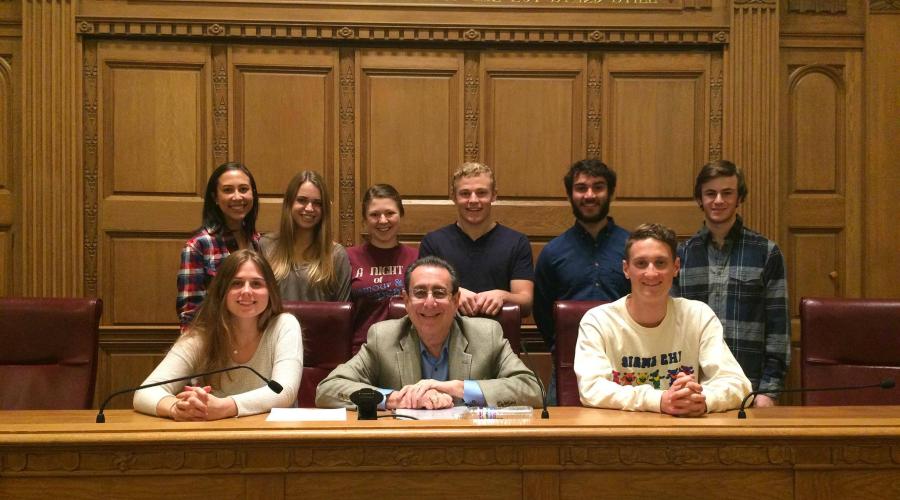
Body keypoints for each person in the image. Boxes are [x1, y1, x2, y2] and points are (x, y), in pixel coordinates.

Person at [316, 256, 542, 410]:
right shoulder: (383, 338)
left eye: (440, 293)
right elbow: (328, 389)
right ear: (406, 300)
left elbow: (532, 389)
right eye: (420, 293)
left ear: (455, 301)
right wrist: (397, 399)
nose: (429, 303)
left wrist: (459, 388)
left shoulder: (486, 335)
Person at [575, 223, 751, 416]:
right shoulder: (598, 321)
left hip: (684, 436)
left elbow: (738, 384)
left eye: (660, 263)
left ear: (675, 267)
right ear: (626, 269)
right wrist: (660, 400)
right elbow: (591, 389)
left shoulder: (699, 316)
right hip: (621, 437)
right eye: (641, 263)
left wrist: (701, 399)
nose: (651, 273)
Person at [673, 160, 790, 407]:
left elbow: (778, 329)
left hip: (750, 388)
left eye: (727, 193)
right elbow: (672, 329)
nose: (718, 200)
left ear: (739, 198)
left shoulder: (766, 253)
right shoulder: (681, 256)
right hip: (694, 389)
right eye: (710, 193)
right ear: (699, 199)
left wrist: (769, 391)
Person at [136, 249, 302, 420]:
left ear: (270, 291)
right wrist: (177, 408)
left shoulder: (284, 325)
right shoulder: (202, 335)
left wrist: (226, 406)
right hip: (216, 438)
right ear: (222, 291)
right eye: (236, 283)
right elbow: (145, 393)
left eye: (256, 284)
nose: (246, 291)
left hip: (272, 438)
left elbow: (284, 391)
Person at [418, 162, 534, 317]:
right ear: (454, 197)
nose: (473, 200)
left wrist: (503, 295)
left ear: (494, 195)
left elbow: (526, 302)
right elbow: (422, 293)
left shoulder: (517, 242)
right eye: (465, 193)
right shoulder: (433, 242)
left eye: (481, 193)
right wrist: (453, 294)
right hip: (445, 335)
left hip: (499, 335)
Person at [177, 162, 260, 329]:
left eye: (243, 189)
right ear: (215, 198)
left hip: (257, 341)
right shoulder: (198, 246)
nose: (237, 197)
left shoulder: (260, 242)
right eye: (228, 190)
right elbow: (190, 315)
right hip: (217, 343)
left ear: (253, 194)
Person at [260, 170, 351, 302]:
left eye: (317, 203)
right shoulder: (266, 246)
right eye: (302, 200)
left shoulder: (336, 255)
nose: (309, 208)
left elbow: (344, 314)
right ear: (289, 203)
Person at [347, 184, 418, 354]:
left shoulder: (417, 258)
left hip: (408, 348)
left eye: (390, 213)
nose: (383, 220)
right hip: (361, 350)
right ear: (364, 219)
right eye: (374, 215)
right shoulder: (347, 257)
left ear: (401, 215)